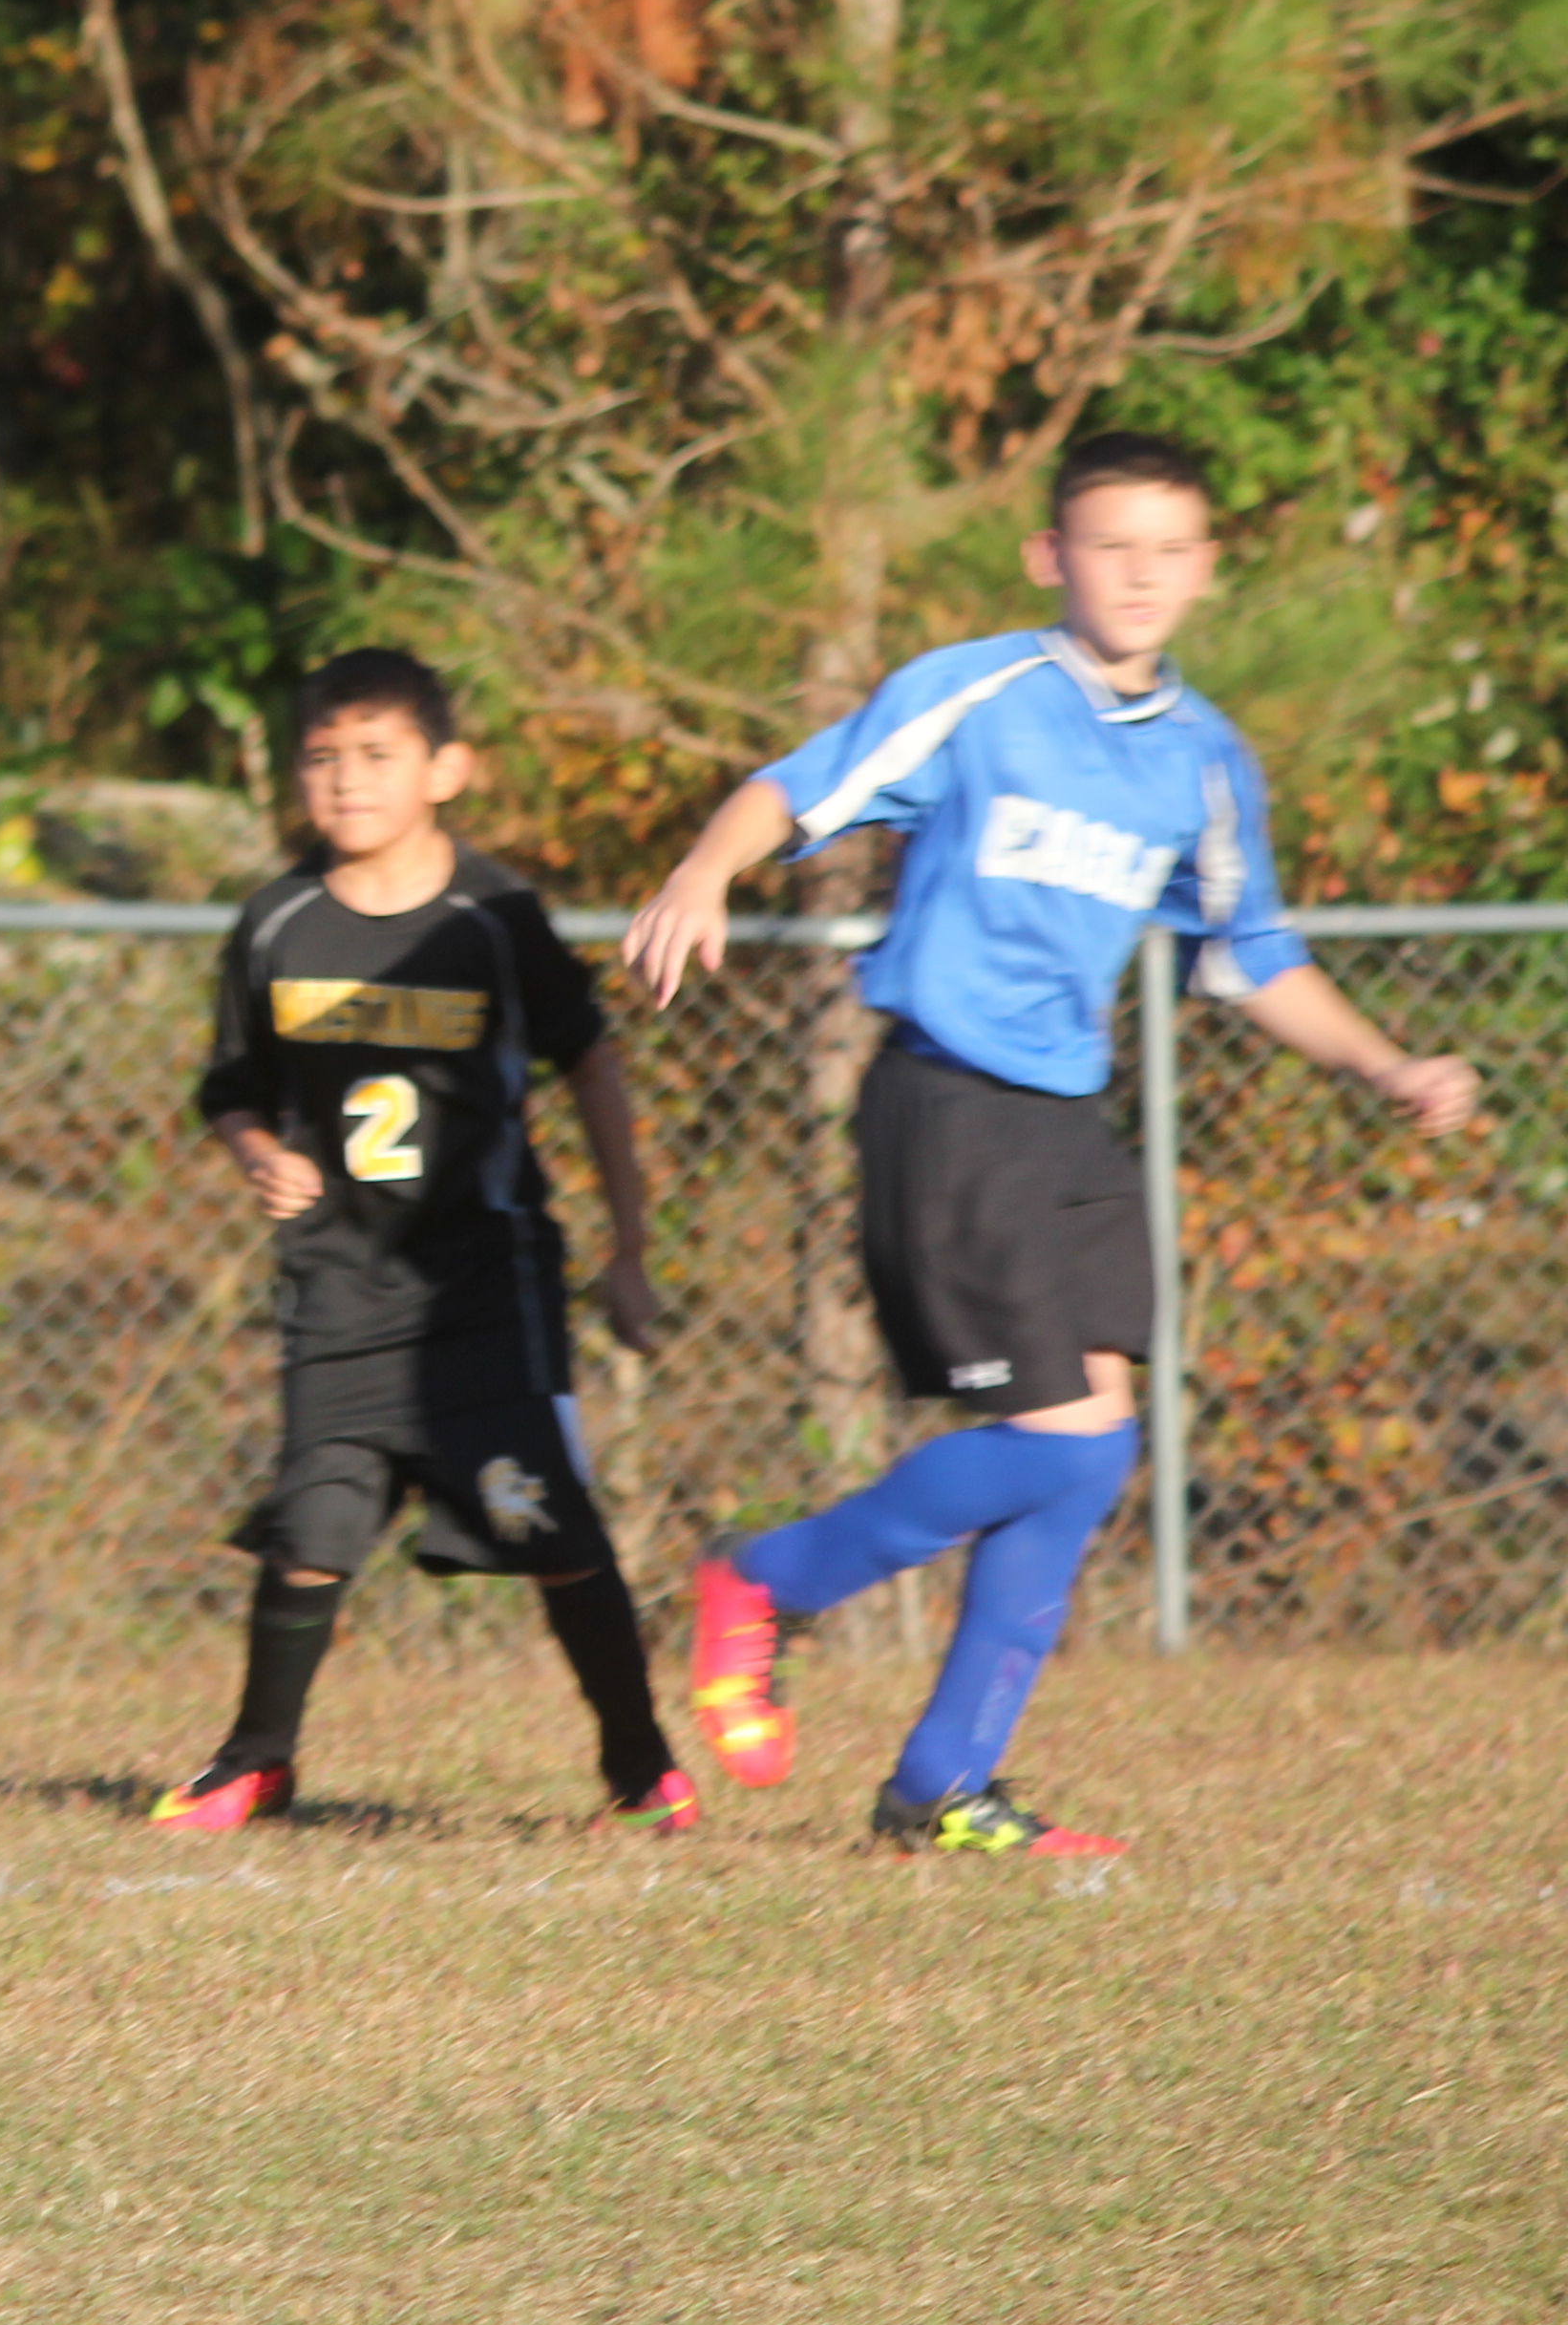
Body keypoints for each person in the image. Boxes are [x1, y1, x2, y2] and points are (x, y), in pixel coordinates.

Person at [625, 430, 1484, 1857]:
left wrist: (1384, 1062)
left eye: (1170, 549)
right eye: (1109, 544)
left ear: (1205, 570)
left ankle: (941, 1790)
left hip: (1065, 1116)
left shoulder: (1205, 761)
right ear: (1051, 557)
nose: (1140, 573)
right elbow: (798, 785)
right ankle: (763, 1587)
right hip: (949, 1101)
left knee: (1091, 1453)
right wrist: (701, 871)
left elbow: (1251, 953)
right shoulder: (979, 693)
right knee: (1064, 1442)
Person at [148, 651, 689, 1838]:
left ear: (447, 770)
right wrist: (252, 1147)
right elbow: (230, 1083)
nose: (345, 781)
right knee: (312, 1526)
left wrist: (629, 1248)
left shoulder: (493, 920)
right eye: (322, 758)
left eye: (376, 755)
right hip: (339, 1282)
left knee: (549, 1528)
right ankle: (254, 1762)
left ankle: (644, 1772)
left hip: (485, 1288)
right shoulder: (276, 921)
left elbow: (591, 1063)